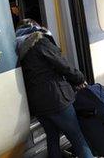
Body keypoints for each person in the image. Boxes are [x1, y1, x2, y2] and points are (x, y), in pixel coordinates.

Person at [16, 19, 93, 158]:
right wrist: (79, 79)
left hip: (37, 106)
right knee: (77, 138)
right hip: (56, 100)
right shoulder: (40, 41)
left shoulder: (17, 50)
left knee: (52, 138)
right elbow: (62, 64)